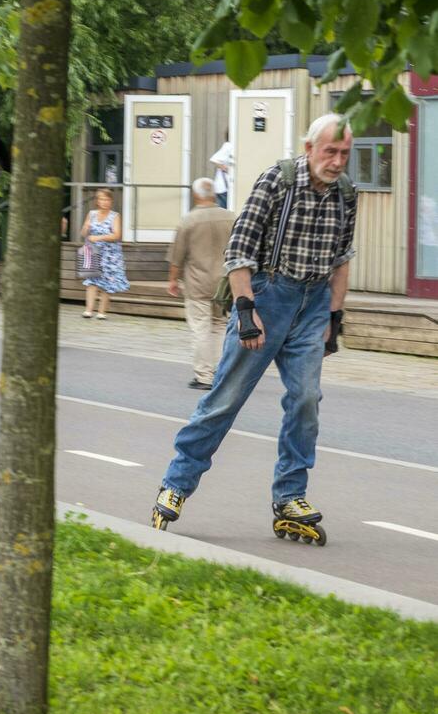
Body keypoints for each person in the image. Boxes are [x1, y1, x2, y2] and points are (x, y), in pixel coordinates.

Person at [153, 113, 357, 533]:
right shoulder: (277, 181)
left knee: (306, 400)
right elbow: (240, 249)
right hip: (267, 297)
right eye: (330, 151)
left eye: (344, 154)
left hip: (314, 302)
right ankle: (176, 483)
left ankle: (289, 498)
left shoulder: (347, 193)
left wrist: (335, 318)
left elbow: (341, 260)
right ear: (309, 149)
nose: (337, 161)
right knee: (225, 399)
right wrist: (246, 312)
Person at [168, 178, 236, 390]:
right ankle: (219, 371)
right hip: (225, 282)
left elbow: (177, 257)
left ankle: (204, 376)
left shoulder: (188, 221)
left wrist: (173, 280)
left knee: (200, 328)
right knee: (220, 326)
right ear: (214, 194)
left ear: (196, 195)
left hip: (198, 283)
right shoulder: (232, 217)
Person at [80, 187, 130, 319]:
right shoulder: (91, 214)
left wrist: (98, 237)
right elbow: (83, 234)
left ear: (111, 201)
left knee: (107, 282)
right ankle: (88, 310)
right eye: (102, 199)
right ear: (97, 201)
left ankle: (102, 312)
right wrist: (86, 227)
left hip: (110, 254)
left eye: (107, 199)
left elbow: (116, 235)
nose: (104, 202)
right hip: (92, 251)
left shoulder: (115, 216)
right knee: (91, 281)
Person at [210, 133, 233, 208]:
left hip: (223, 187)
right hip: (224, 187)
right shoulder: (229, 145)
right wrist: (228, 170)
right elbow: (214, 159)